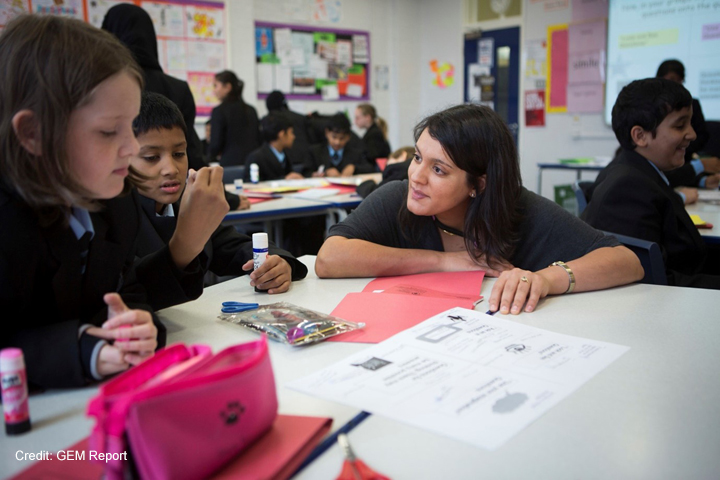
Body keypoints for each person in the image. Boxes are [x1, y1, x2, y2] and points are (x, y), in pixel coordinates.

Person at [0, 15, 208, 388]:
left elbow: (124, 290)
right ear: (33, 134)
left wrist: (139, 324)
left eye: (130, 126)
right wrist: (84, 350)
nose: (130, 148)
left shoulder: (115, 202)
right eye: (109, 131)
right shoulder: (9, 223)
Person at [316, 104, 644, 314]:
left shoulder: (521, 209)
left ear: (479, 184)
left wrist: (544, 280)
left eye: (439, 169)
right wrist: (444, 262)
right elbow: (329, 259)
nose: (416, 176)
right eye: (417, 157)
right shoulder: (399, 196)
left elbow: (626, 262)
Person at [129, 92, 308, 293]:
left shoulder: (185, 205)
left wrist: (279, 264)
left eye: (179, 154)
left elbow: (234, 246)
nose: (171, 168)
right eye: (152, 157)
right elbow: (136, 290)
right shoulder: (115, 220)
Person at [582, 78, 720, 289]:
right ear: (640, 136)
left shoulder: (637, 170)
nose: (692, 134)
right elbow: (652, 281)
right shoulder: (629, 188)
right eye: (680, 125)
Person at [655, 60, 720, 190]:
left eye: (680, 80)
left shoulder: (692, 103)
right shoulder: (653, 108)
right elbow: (657, 179)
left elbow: (671, 177)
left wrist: (702, 181)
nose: (691, 134)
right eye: (679, 126)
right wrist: (682, 198)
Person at [210, 70, 261, 167]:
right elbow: (258, 139)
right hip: (253, 164)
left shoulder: (219, 111)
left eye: (216, 86)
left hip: (230, 165)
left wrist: (207, 158)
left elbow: (215, 144)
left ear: (227, 87)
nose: (214, 90)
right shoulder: (251, 110)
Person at [304, 113, 373, 177]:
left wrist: (354, 168)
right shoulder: (315, 152)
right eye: (334, 137)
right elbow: (305, 173)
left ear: (348, 137)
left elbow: (370, 168)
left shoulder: (356, 153)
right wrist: (322, 173)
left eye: (342, 138)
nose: (337, 142)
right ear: (327, 133)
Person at [244, 113, 304, 182]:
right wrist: (284, 180)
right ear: (281, 134)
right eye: (291, 133)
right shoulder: (256, 158)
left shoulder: (287, 155)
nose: (293, 137)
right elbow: (251, 183)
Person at [266, 90, 313, 169]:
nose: (293, 137)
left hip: (287, 163)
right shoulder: (300, 118)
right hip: (304, 161)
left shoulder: (270, 122)